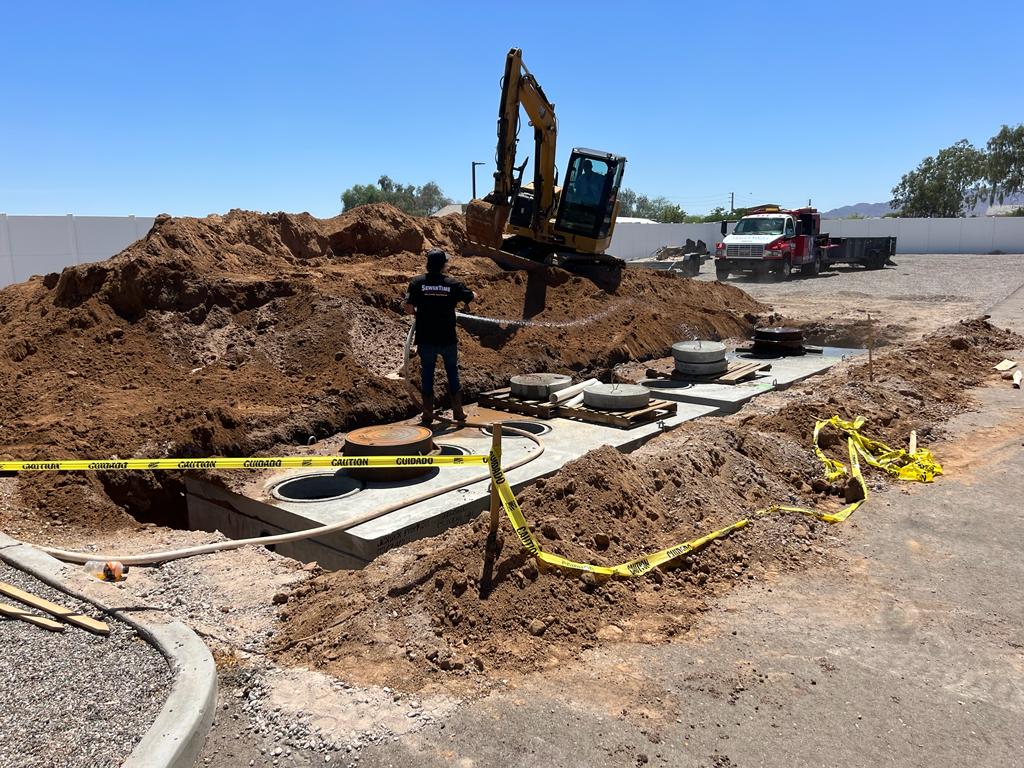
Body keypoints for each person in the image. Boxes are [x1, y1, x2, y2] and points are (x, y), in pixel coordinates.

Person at [403, 248, 476, 426]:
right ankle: (458, 412)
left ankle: (428, 415)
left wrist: (417, 312)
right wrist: (471, 294)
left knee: (427, 373)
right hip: (447, 338)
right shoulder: (453, 284)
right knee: (452, 372)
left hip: (426, 338)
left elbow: (408, 307)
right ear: (444, 265)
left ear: (427, 264)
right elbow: (471, 296)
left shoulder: (417, 283)